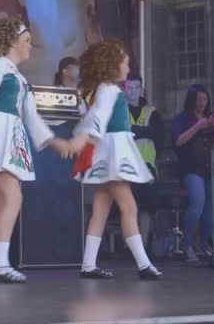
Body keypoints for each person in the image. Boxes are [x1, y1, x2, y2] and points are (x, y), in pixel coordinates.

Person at [0, 17, 69, 283]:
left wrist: (54, 141)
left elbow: (32, 118)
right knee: (13, 196)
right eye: (27, 40)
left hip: (8, 137)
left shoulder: (18, 77)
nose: (31, 46)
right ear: (12, 42)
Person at [69, 39, 162, 280]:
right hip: (112, 155)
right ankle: (144, 265)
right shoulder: (109, 89)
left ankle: (88, 265)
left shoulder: (104, 88)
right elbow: (98, 118)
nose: (128, 69)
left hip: (108, 153)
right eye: (125, 63)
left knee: (100, 209)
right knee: (129, 207)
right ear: (112, 64)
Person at [171, 84, 214, 262]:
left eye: (204, 99)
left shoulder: (209, 118)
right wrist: (197, 127)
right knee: (197, 204)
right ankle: (187, 245)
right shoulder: (183, 118)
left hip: (210, 168)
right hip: (191, 167)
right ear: (192, 100)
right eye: (198, 99)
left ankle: (205, 245)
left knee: (209, 209)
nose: (201, 103)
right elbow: (178, 141)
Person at [123, 74, 164, 248]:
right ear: (124, 89)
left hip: (147, 165)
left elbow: (158, 134)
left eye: (136, 88)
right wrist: (143, 131)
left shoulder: (151, 112)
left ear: (141, 89)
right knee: (128, 207)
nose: (132, 91)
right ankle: (130, 245)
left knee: (146, 207)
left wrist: (134, 130)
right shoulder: (119, 110)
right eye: (129, 88)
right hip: (124, 166)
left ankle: (144, 244)